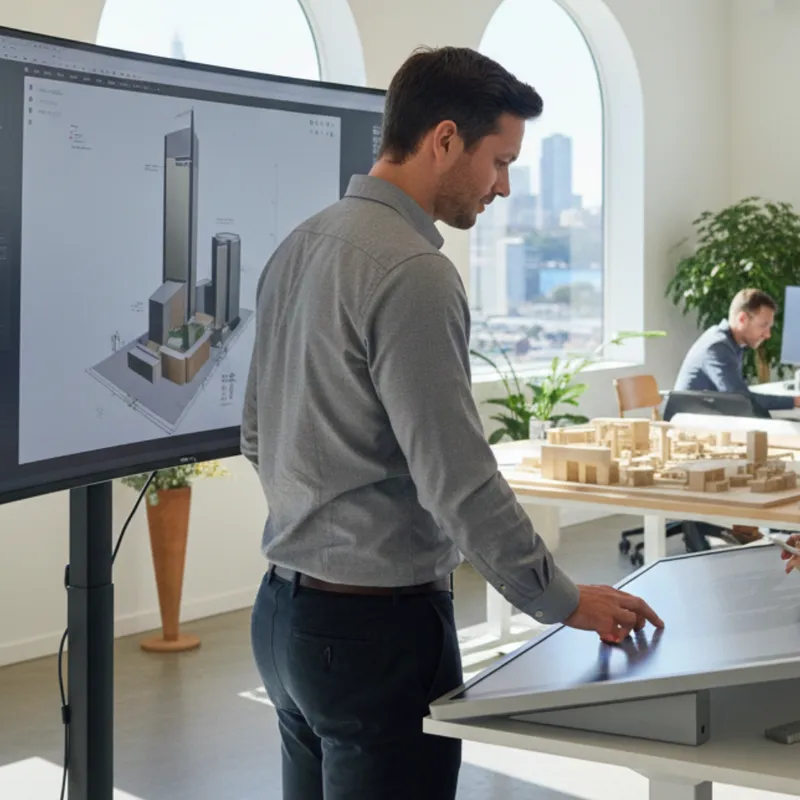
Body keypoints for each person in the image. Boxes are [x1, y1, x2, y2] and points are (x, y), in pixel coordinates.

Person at [241, 45, 663, 800]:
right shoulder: (413, 272)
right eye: (499, 161)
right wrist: (562, 599)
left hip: (282, 622)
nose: (502, 187)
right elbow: (458, 480)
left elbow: (253, 433)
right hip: (377, 636)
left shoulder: (298, 244)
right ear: (443, 140)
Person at [673, 288, 800, 413]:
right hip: (688, 427)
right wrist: (794, 401)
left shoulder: (732, 344)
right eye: (763, 325)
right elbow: (741, 399)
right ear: (742, 319)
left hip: (705, 419)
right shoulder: (718, 347)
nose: (768, 335)